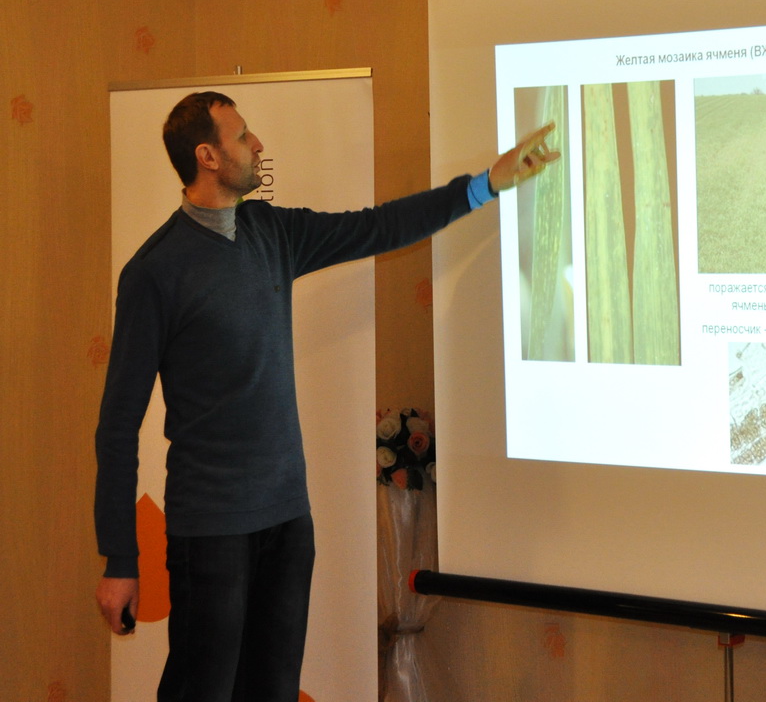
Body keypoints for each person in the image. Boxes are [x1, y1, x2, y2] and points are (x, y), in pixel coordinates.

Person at [93, 90, 558, 702]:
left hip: (288, 520)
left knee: (273, 689)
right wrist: (120, 559)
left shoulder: (271, 231)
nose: (257, 144)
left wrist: (484, 185)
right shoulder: (154, 271)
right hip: (210, 529)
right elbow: (117, 425)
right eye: (242, 136)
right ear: (207, 156)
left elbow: (376, 226)